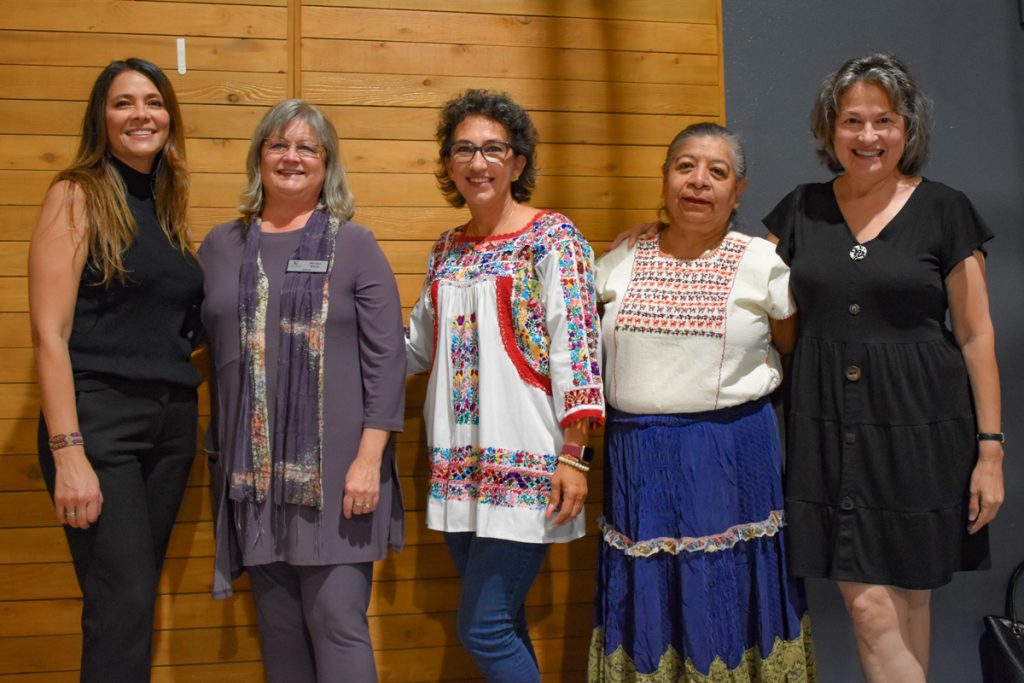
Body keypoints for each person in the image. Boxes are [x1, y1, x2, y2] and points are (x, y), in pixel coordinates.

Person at [763, 53, 1004, 682]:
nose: (868, 137)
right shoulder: (800, 209)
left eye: (884, 121)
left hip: (922, 426)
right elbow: (733, 275)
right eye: (852, 121)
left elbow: (977, 336)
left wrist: (991, 452)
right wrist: (654, 233)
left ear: (908, 129)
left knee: (909, 598)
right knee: (871, 606)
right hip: (828, 427)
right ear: (829, 130)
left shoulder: (946, 210)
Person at [589, 123, 816, 681]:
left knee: (725, 592)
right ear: (664, 180)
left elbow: (791, 348)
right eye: (685, 166)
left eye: (718, 172)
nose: (699, 181)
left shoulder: (761, 264)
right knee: (649, 598)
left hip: (730, 457)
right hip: (638, 460)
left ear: (738, 192)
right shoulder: (618, 259)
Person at [200, 99, 406, 683]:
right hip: (253, 482)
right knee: (280, 634)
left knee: (338, 625)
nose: (292, 157)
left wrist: (369, 461)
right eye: (278, 144)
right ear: (259, 157)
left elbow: (386, 362)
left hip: (342, 478)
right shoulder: (221, 247)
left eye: (307, 147)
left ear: (327, 164)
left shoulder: (356, 245)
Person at [405, 89, 604, 682]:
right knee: (504, 621)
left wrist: (577, 454)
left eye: (493, 149)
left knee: (484, 627)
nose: (478, 162)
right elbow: (416, 345)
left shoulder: (554, 238)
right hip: (458, 464)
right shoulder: (447, 248)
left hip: (528, 460)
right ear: (448, 164)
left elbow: (579, 352)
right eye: (464, 149)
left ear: (518, 163)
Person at [28, 58, 201, 681]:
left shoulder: (165, 203)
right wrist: (68, 451)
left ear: (169, 117)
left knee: (130, 602)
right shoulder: (76, 193)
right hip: (99, 424)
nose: (141, 115)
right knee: (121, 606)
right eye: (123, 103)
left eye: (153, 102)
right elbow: (50, 334)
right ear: (101, 118)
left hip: (172, 427)